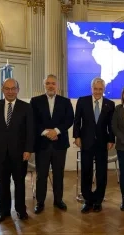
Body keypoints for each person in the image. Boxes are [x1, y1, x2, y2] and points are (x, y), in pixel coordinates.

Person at [0, 78, 34, 224]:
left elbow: (30, 130)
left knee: (19, 183)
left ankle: (21, 210)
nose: (10, 91)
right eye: (7, 88)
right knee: (3, 183)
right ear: (2, 89)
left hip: (20, 153)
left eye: (13, 88)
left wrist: (28, 149)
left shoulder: (26, 107)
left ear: (18, 90)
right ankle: (4, 212)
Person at [30, 74, 74, 214]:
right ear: (44, 85)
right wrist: (45, 132)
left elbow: (69, 120)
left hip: (59, 144)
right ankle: (40, 202)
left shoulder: (65, 102)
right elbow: (32, 121)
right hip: (42, 144)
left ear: (57, 86)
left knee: (58, 174)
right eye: (48, 83)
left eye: (53, 83)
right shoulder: (35, 101)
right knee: (41, 174)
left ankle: (58, 200)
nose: (50, 86)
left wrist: (56, 131)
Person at [73, 77, 115, 213]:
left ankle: (98, 200)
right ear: (91, 89)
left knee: (102, 172)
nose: (98, 91)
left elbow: (111, 125)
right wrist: (77, 137)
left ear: (104, 89)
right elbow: (77, 121)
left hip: (102, 143)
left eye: (100, 89)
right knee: (86, 171)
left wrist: (111, 140)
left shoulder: (110, 104)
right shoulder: (82, 101)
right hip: (86, 142)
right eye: (95, 89)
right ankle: (88, 200)